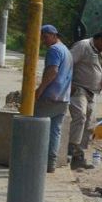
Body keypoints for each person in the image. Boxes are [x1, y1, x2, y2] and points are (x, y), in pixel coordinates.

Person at [68, 29, 102, 169]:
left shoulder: (99, 51)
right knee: (80, 116)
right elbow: (68, 63)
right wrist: (68, 84)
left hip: (91, 92)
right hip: (79, 89)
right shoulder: (83, 46)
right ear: (99, 39)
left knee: (90, 125)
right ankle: (70, 150)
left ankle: (78, 156)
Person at [35, 24, 73, 174]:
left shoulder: (54, 50)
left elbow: (52, 71)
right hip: (63, 98)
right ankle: (50, 164)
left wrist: (40, 89)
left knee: (37, 129)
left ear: (53, 35)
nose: (44, 40)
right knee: (54, 131)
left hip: (50, 97)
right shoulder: (67, 51)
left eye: (45, 37)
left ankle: (36, 162)